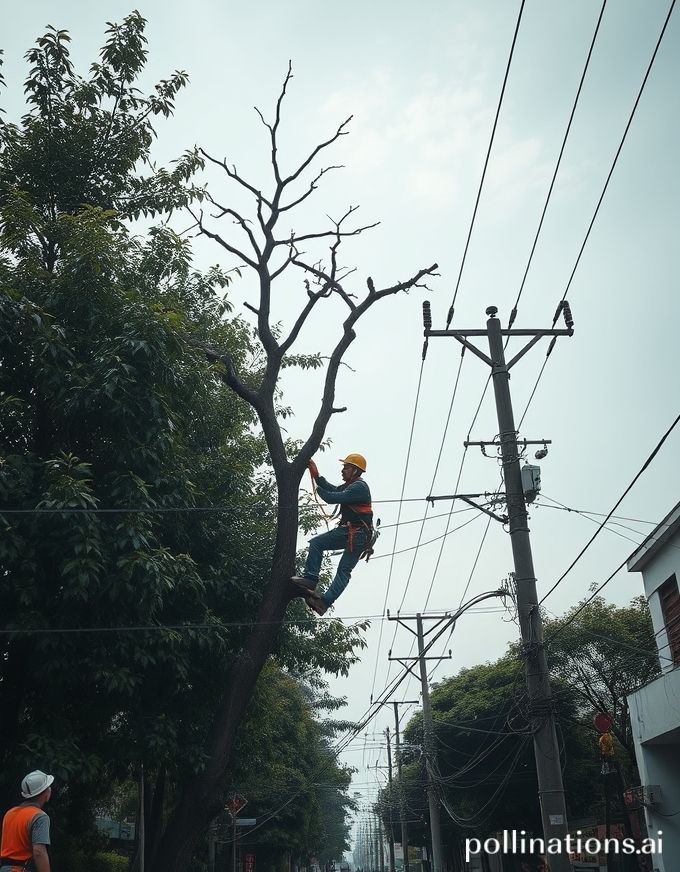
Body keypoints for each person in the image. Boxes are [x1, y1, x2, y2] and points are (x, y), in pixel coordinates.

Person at [292, 453, 373, 616]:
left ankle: (311, 578)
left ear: (356, 471)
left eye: (346, 467)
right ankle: (323, 603)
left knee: (317, 544)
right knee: (343, 571)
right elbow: (333, 489)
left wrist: (317, 489)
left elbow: (331, 497)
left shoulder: (359, 487)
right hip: (357, 534)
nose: (343, 470)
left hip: (354, 533)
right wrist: (317, 476)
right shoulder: (352, 485)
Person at [0, 770, 53, 872]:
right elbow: (39, 852)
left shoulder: (10, 813)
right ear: (44, 793)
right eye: (48, 787)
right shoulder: (39, 817)